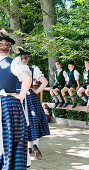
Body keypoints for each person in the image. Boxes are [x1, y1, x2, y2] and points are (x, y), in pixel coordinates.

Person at [0, 29, 32, 169]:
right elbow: (27, 78)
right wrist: (21, 95)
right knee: (13, 141)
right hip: (8, 103)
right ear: (9, 48)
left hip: (6, 104)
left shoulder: (12, 63)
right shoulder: (13, 63)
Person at [16, 47, 50, 160]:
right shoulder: (33, 69)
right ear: (28, 59)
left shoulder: (15, 69)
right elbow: (45, 82)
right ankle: (34, 145)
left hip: (18, 96)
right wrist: (36, 91)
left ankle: (27, 148)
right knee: (34, 121)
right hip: (31, 96)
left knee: (23, 121)